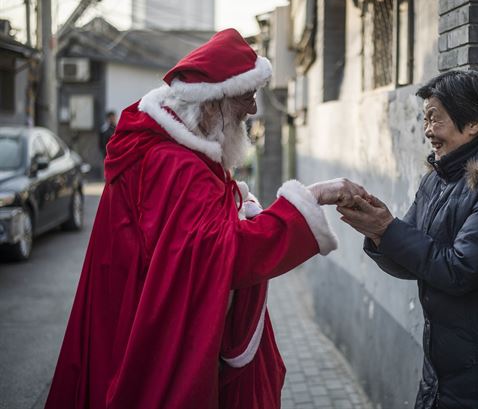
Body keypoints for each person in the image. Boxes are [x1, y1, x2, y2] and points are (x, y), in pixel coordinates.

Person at [45, 28, 367, 409]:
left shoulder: (170, 151)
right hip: (154, 332)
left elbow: (190, 244)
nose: (252, 111)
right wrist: (310, 199)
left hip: (131, 316)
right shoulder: (177, 165)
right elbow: (226, 255)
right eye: (246, 98)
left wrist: (236, 207)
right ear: (211, 104)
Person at [339, 70, 478, 409]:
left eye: (436, 118)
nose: (428, 131)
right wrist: (378, 233)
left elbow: (460, 270)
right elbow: (412, 260)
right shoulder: (438, 179)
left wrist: (389, 229)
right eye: (425, 119)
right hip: (451, 370)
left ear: (473, 123)